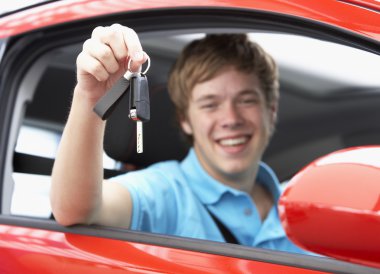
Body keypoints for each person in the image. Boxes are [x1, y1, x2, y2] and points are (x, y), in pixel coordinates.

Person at [50, 24, 306, 253]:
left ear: (271, 111)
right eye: (210, 104)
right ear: (185, 119)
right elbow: (77, 210)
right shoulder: (163, 192)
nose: (231, 118)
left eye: (247, 100)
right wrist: (90, 97)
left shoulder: (304, 204)